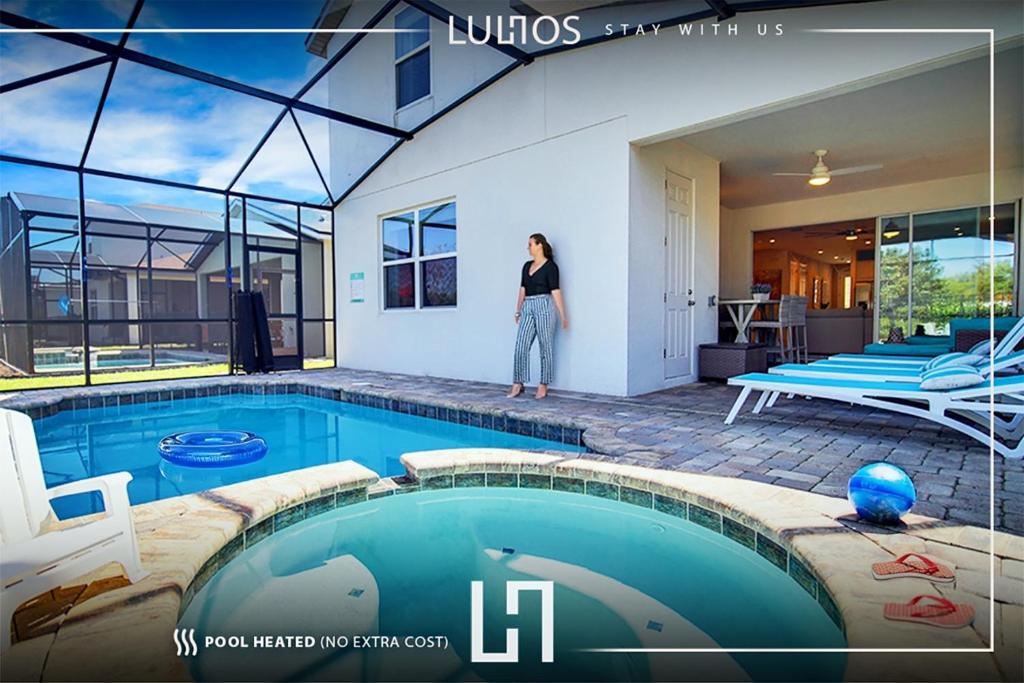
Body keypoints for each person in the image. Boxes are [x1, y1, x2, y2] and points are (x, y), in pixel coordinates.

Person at [508, 233, 568, 399]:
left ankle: (543, 384)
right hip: (528, 305)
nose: (528, 248)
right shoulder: (526, 266)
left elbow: (555, 291)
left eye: (530, 244)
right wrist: (518, 310)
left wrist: (563, 315)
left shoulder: (551, 267)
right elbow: (522, 289)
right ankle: (517, 383)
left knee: (545, 346)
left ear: (540, 245)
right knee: (521, 345)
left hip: (544, 305)